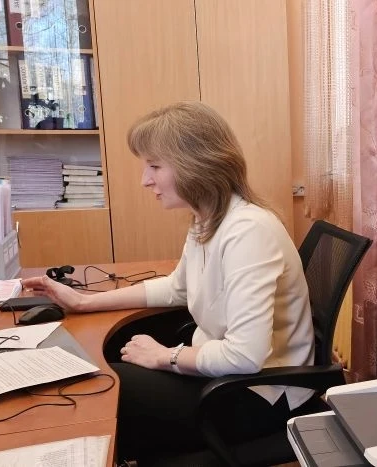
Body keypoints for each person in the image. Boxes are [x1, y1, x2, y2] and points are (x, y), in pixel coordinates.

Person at [22, 102, 315, 464]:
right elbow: (178, 287)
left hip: (258, 394)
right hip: (222, 374)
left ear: (197, 164)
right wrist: (83, 302)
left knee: (100, 387)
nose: (145, 180)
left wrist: (164, 356)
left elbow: (244, 356)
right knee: (104, 363)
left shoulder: (248, 231)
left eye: (155, 166)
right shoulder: (208, 217)